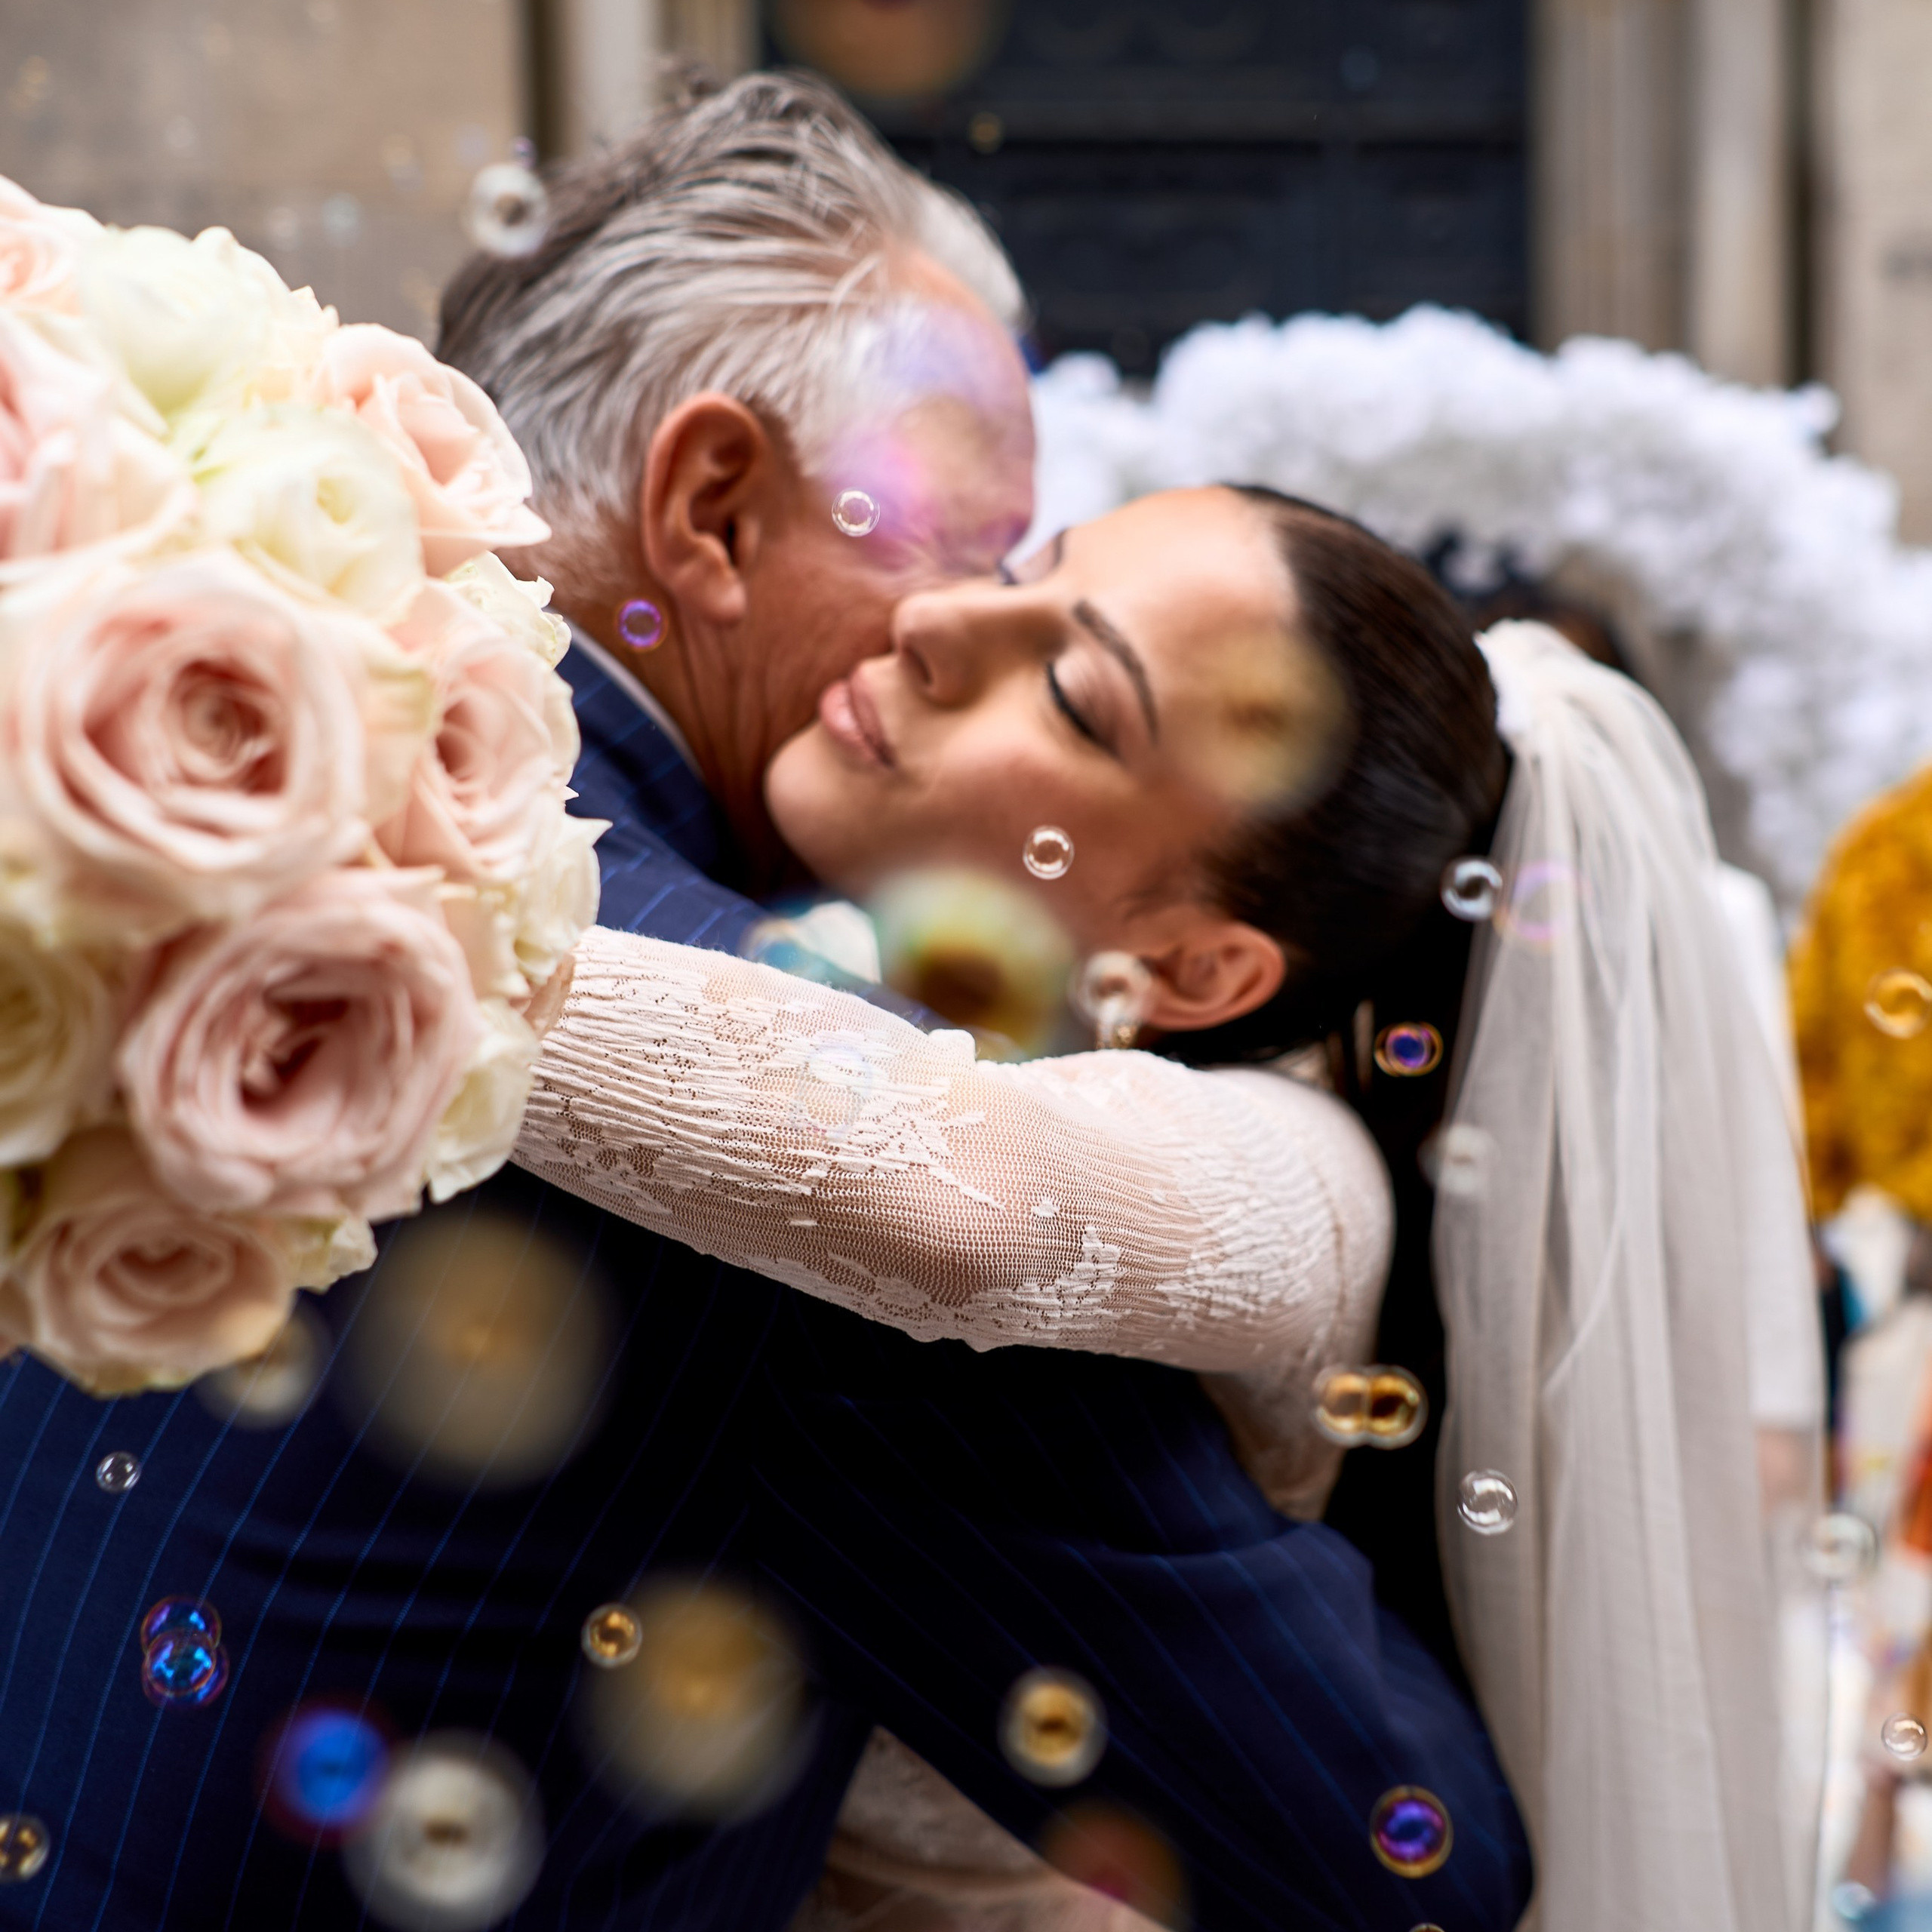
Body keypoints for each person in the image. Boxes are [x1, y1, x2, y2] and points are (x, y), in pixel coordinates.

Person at [0, 73, 1529, 1932]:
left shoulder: (153, 808)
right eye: (981, 555)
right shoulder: (789, 1142)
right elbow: (1397, 1845)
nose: (935, 628)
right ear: (708, 509)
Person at [516, 481, 1826, 1932]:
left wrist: (347, 910)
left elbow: (970, 1201)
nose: (938, 618)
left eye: (1077, 697)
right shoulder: (842, 944)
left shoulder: (1296, 1166)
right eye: (1025, 564)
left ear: (1204, 972)